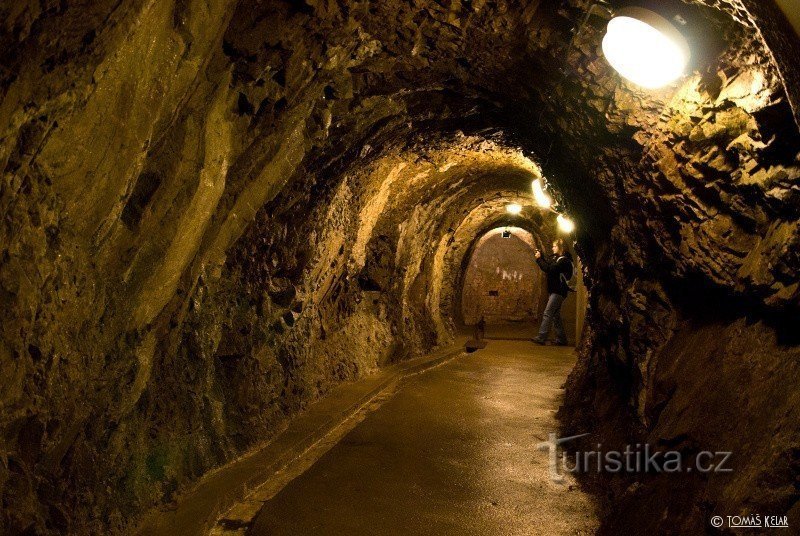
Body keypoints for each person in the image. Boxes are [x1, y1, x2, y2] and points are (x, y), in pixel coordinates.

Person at [533, 239, 574, 345]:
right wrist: (541, 257)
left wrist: (538, 260)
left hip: (558, 291)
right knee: (556, 316)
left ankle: (541, 337)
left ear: (561, 247)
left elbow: (549, 269)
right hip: (555, 291)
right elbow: (549, 265)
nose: (552, 248)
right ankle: (562, 339)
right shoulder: (557, 259)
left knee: (547, 313)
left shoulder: (564, 261)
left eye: (555, 246)